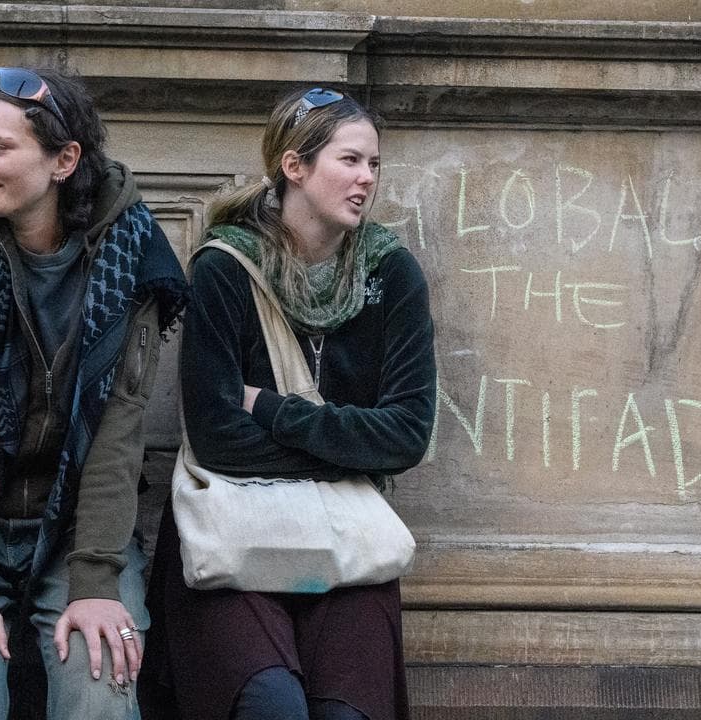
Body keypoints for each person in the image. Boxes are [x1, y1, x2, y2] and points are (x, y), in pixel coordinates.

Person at [0, 67, 187, 719]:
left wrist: (97, 580)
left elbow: (118, 432)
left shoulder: (130, 249)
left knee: (100, 690)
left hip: (76, 523)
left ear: (63, 159)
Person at [143, 88, 436, 720]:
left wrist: (274, 411)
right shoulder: (226, 268)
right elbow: (218, 437)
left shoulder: (392, 275)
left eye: (373, 164)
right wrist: (353, 445)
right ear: (294, 167)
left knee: (345, 713)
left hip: (345, 541)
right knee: (269, 705)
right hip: (231, 531)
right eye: (350, 160)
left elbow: (408, 435)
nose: (366, 179)